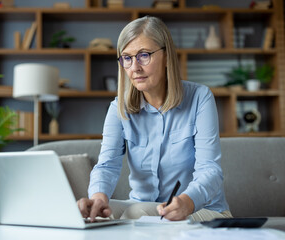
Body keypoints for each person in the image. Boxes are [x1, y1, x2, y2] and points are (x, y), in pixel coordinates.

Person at [77, 15, 231, 222]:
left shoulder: (200, 98)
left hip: (200, 210)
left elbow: (210, 169)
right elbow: (107, 165)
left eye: (144, 55)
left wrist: (187, 201)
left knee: (136, 214)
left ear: (167, 56)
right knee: (95, 214)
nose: (135, 68)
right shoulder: (118, 108)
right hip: (142, 206)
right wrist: (97, 198)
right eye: (127, 58)